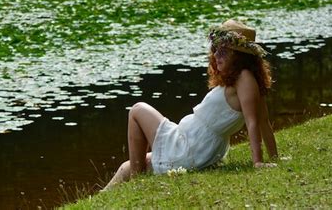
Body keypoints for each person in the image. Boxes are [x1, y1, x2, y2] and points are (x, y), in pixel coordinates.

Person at [102, 19, 278, 190]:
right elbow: (263, 122)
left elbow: (255, 122)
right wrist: (275, 158)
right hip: (193, 145)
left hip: (189, 146)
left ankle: (137, 182)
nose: (216, 56)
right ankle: (100, 197)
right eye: (216, 49)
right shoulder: (244, 80)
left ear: (240, 56)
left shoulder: (245, 78)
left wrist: (258, 162)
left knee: (137, 110)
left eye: (223, 51)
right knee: (129, 165)